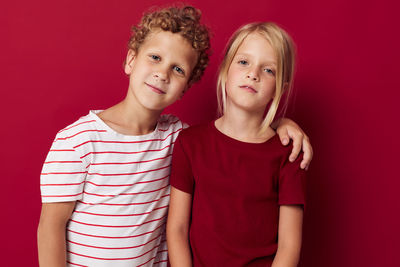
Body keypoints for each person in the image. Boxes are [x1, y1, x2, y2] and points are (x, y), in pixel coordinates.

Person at [37, 5, 311, 266]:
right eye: (155, 57)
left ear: (185, 88)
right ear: (131, 59)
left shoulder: (175, 137)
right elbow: (51, 226)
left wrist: (284, 124)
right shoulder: (78, 141)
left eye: (178, 69)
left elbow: (240, 140)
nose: (162, 73)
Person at [167, 22, 306, 267]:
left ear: (279, 90)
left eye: (269, 70)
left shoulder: (289, 153)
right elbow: (177, 229)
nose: (253, 74)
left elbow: (289, 247)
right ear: (225, 70)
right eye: (244, 62)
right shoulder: (190, 143)